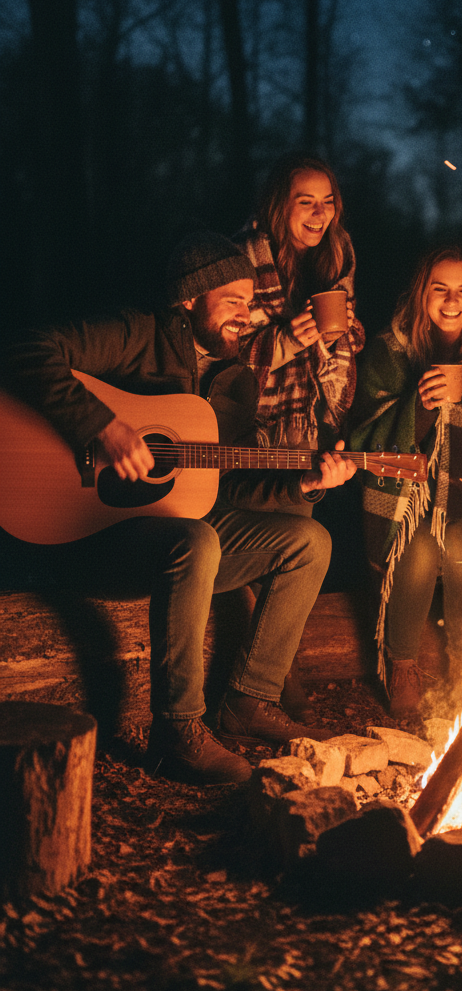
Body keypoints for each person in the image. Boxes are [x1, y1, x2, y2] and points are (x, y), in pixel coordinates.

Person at [4, 233, 356, 784]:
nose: (248, 315)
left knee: (310, 542)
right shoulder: (135, 335)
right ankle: (178, 731)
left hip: (176, 534)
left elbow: (231, 492)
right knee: (197, 539)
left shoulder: (235, 380)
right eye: (233, 301)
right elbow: (25, 349)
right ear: (190, 299)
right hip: (87, 533)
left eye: (251, 302)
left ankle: (249, 699)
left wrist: (307, 486)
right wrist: (101, 425)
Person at [349, 246, 462, 716]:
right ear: (421, 294)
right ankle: (401, 662)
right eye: (439, 290)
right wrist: (422, 405)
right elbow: (366, 428)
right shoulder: (392, 347)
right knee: (422, 548)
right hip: (404, 497)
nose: (452, 301)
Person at [234, 152, 364, 450]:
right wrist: (287, 342)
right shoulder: (243, 260)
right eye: (306, 202)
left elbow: (347, 344)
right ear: (280, 205)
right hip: (258, 429)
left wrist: (336, 336)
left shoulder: (338, 257)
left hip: (319, 425)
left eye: (328, 201)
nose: (320, 214)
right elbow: (222, 355)